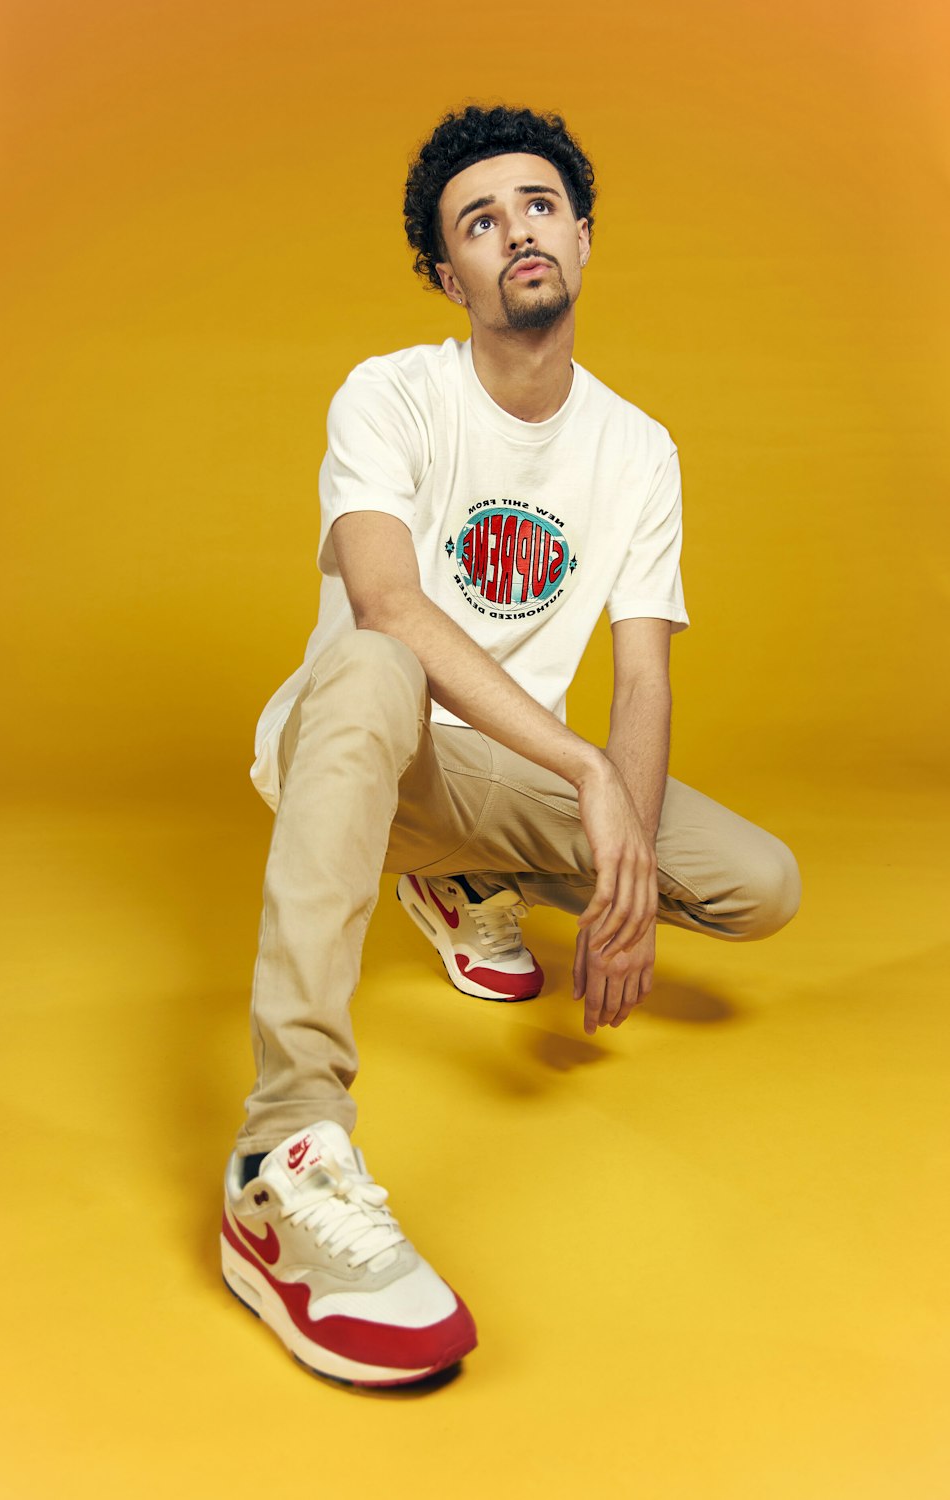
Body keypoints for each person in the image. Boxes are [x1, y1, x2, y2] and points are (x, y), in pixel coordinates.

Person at [219, 104, 801, 1388]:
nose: (514, 232)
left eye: (537, 205)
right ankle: (283, 1150)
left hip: (506, 775)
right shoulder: (391, 393)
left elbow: (640, 675)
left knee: (760, 886)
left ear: (581, 238)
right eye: (478, 223)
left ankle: (461, 880)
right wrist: (587, 777)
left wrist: (625, 864)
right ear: (451, 275)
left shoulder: (638, 449)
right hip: (362, 749)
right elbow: (386, 603)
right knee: (373, 660)